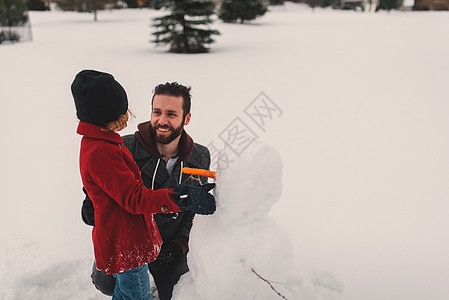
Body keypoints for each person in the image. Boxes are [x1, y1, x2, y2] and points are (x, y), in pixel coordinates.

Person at [72, 70, 216, 300]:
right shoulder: (123, 146)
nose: (162, 120)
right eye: (157, 112)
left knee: (177, 292)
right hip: (128, 241)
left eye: (171, 114)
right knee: (111, 284)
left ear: (186, 118)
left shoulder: (198, 157)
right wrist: (91, 208)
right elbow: (101, 191)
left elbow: (192, 213)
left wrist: (179, 245)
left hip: (166, 246)